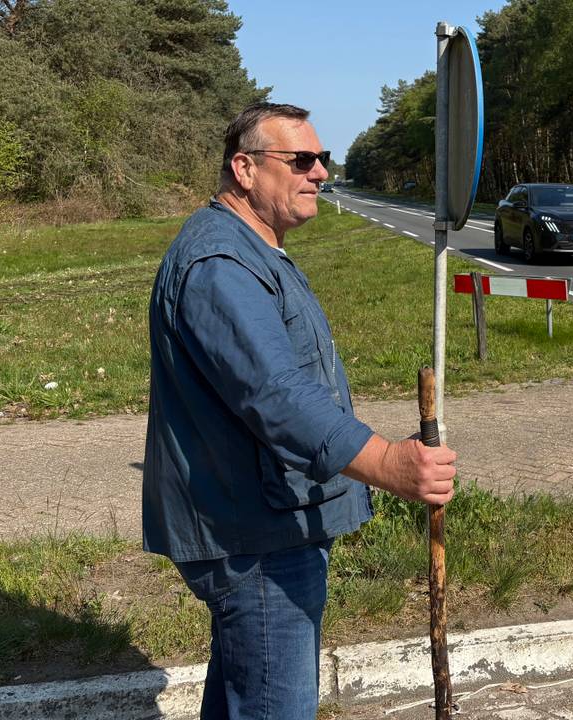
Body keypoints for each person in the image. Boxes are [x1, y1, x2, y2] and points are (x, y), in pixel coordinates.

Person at [142, 102, 456, 720]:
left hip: (262, 518)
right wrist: (387, 462)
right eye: (302, 160)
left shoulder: (251, 248)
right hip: (256, 537)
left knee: (243, 695)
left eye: (323, 160)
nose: (319, 173)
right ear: (246, 169)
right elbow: (277, 394)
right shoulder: (221, 264)